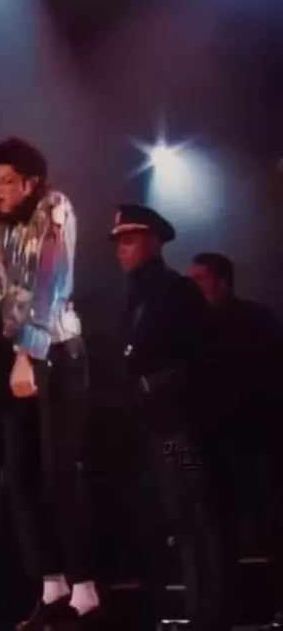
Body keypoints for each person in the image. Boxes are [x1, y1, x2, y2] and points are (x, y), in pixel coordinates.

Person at [0, 138, 100, 630]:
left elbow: (51, 283)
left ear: (31, 181)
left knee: (60, 473)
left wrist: (27, 355)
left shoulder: (55, 209)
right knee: (19, 478)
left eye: (9, 181)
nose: (0, 190)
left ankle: (86, 590)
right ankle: (51, 586)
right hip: (18, 356)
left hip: (56, 351)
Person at [109, 204, 232, 631]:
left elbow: (204, 357)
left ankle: (208, 612)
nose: (121, 249)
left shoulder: (178, 291)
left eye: (130, 240)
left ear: (155, 241)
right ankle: (161, 610)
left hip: (178, 429)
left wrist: (155, 384)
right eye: (118, 242)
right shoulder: (130, 297)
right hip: (143, 430)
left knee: (195, 514)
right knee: (154, 520)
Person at [189, 253, 283, 629]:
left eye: (200, 278)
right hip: (204, 446)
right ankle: (216, 610)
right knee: (212, 525)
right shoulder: (188, 327)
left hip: (254, 441)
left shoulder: (255, 320)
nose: (193, 286)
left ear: (222, 281)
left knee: (268, 522)